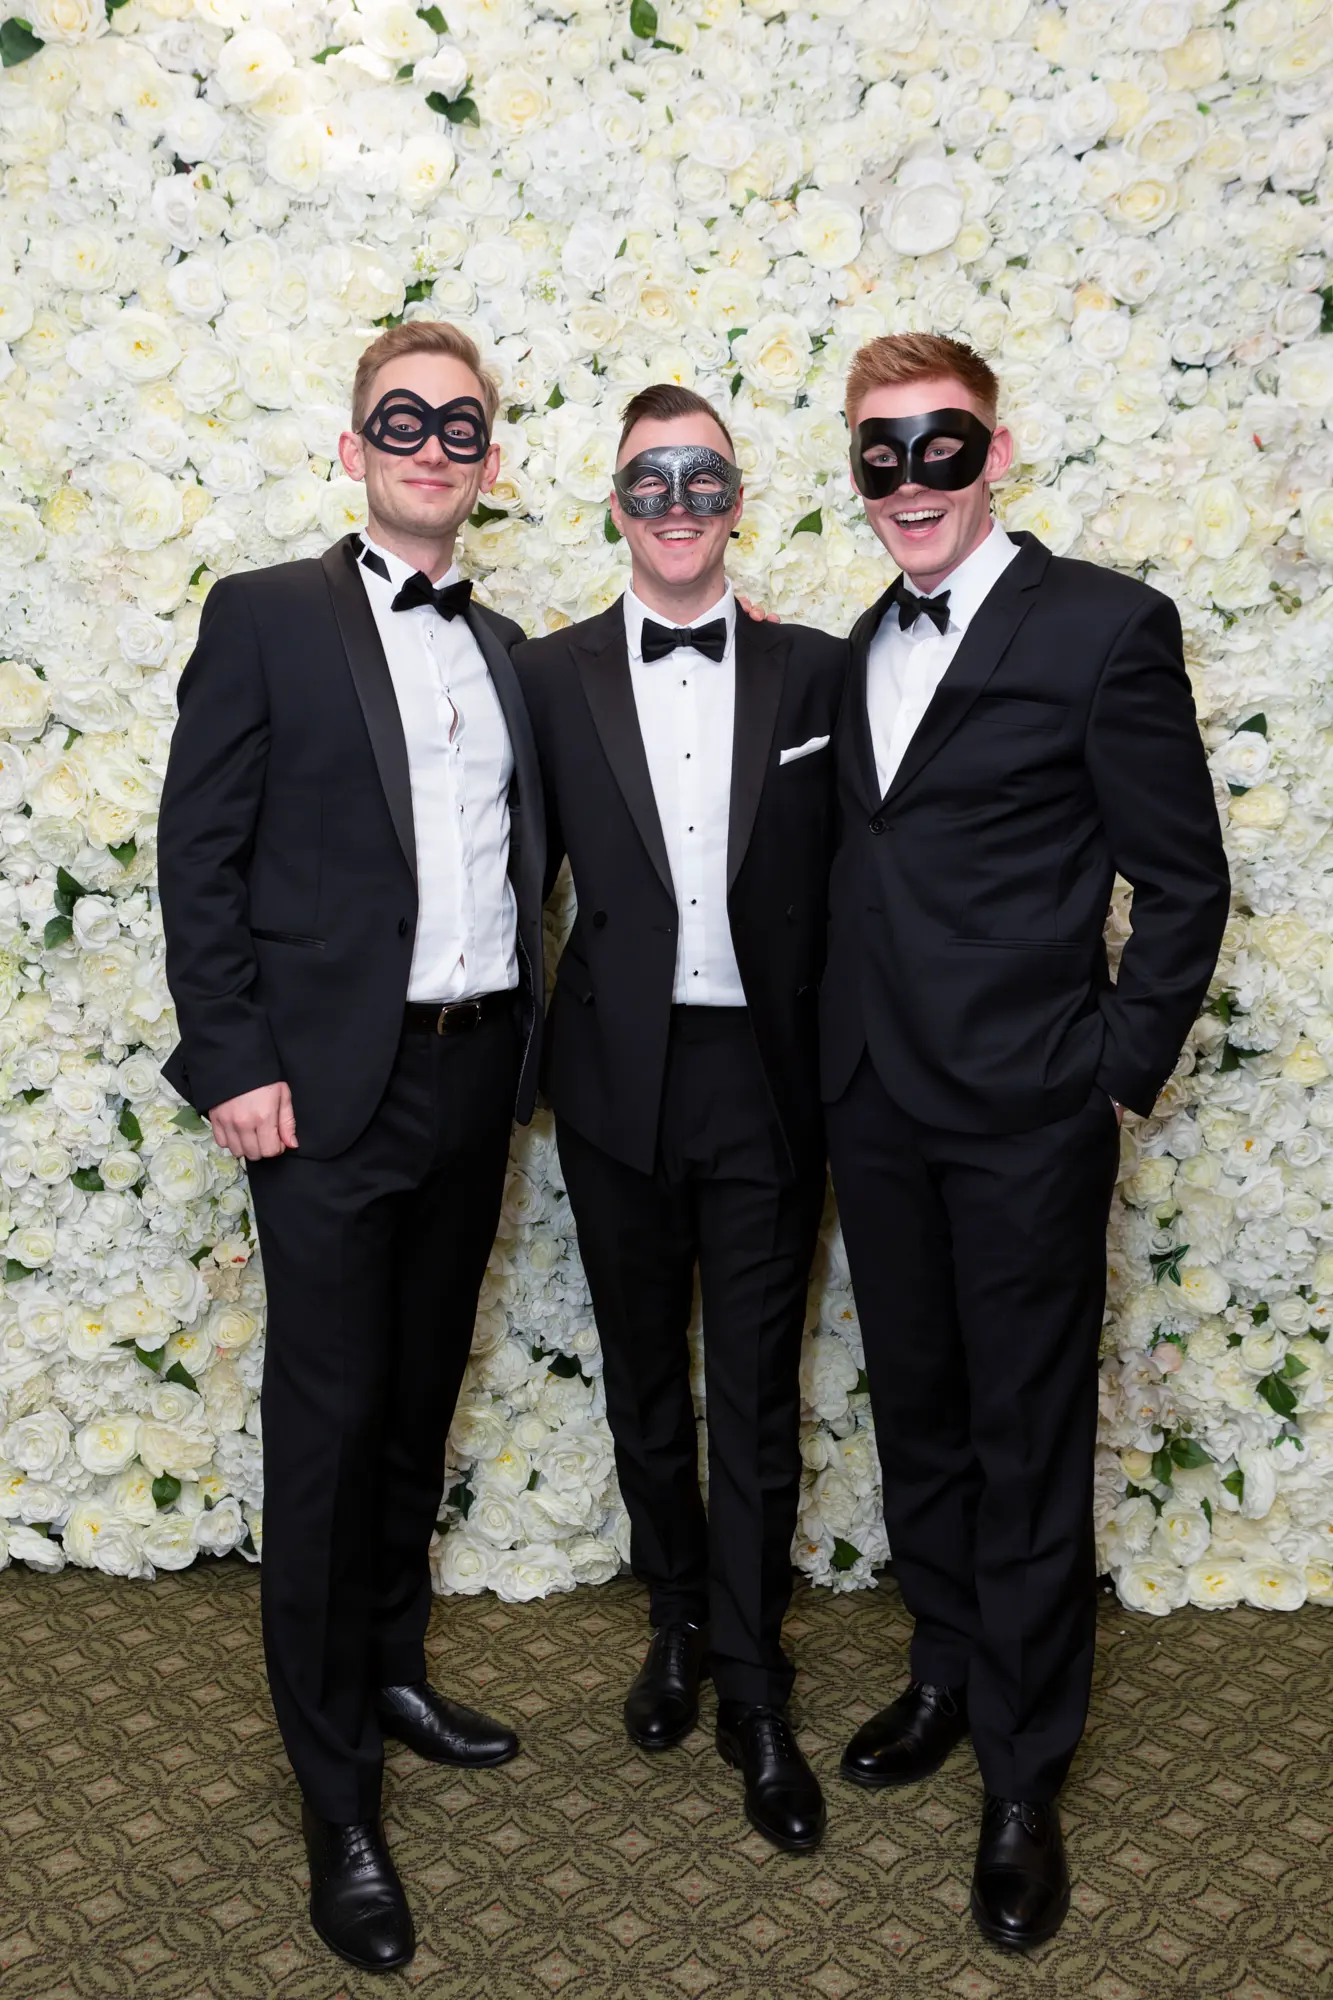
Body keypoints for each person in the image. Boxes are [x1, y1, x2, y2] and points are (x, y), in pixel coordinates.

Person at [822, 333, 1230, 1947]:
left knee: (1027, 1436)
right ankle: (943, 1669)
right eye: (880, 453)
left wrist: (1110, 1077)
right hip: (877, 1104)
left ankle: (1022, 1771)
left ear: (995, 454)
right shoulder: (859, 643)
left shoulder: (1106, 626)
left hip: (1028, 1113)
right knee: (920, 1414)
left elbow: (1183, 880)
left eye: (941, 445)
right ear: (857, 475)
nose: (910, 480)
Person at [157, 323, 545, 1975]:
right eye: (403, 420)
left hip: (475, 1072)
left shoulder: (508, 647)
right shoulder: (263, 614)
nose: (431, 447)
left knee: (412, 1403)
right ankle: (338, 1798)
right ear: (352, 447)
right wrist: (234, 1059)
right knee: (323, 1432)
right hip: (319, 1093)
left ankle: (390, 1666)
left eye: (459, 427)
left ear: (489, 462)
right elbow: (199, 849)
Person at [513, 386, 846, 1852]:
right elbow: (495, 866)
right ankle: (676, 1618)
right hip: (615, 1077)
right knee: (644, 1373)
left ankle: (758, 1686)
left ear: (737, 497)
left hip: (768, 1078)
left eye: (702, 476)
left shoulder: (817, 668)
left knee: (756, 1389)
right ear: (614, 502)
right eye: (649, 478)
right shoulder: (544, 672)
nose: (677, 502)